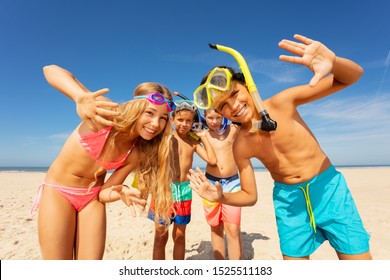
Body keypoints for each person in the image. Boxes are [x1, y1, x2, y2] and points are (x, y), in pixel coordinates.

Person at [188, 34, 372, 260]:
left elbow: (352, 76)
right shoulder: (241, 144)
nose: (233, 106)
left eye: (235, 94)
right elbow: (249, 196)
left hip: (329, 189)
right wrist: (221, 197)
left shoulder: (283, 102)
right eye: (223, 106)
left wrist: (334, 62)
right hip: (289, 202)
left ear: (247, 85)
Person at [32, 65, 175, 259]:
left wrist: (120, 191)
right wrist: (79, 97)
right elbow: (50, 70)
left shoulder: (136, 152)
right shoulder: (106, 113)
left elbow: (104, 193)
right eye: (149, 113)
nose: (156, 124)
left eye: (163, 118)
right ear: (136, 108)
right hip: (59, 192)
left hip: (92, 200)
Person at [150, 99, 217, 260]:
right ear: (172, 120)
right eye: (180, 120)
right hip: (164, 189)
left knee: (180, 235)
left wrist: (203, 136)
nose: (184, 124)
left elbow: (212, 160)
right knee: (160, 235)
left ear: (193, 122)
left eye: (188, 120)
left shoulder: (193, 143)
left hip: (184, 191)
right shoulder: (165, 139)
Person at [202, 109, 242, 259]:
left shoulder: (234, 129)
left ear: (223, 116)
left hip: (232, 183)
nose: (214, 121)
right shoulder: (202, 133)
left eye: (218, 117)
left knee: (233, 228)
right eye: (210, 118)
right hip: (211, 182)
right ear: (204, 116)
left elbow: (251, 120)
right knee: (215, 226)